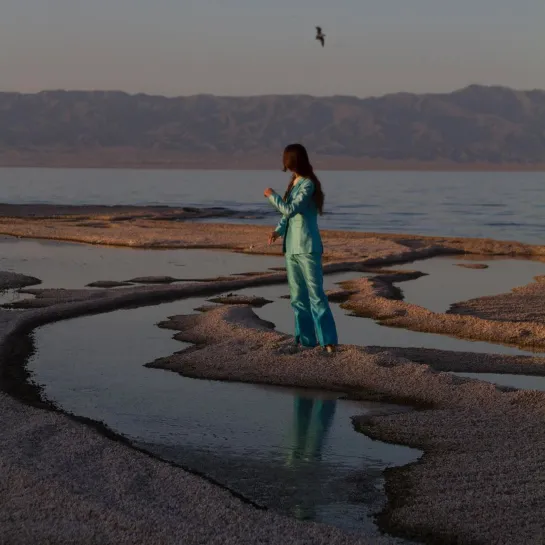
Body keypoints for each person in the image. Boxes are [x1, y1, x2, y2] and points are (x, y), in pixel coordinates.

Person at [264, 143, 338, 353]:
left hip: (307, 247)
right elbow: (288, 217)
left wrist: (272, 196)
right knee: (297, 298)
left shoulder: (307, 185)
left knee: (316, 295)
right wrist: (277, 231)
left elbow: (290, 209)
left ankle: (328, 342)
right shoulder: (294, 183)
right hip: (291, 249)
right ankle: (305, 341)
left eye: (285, 158)